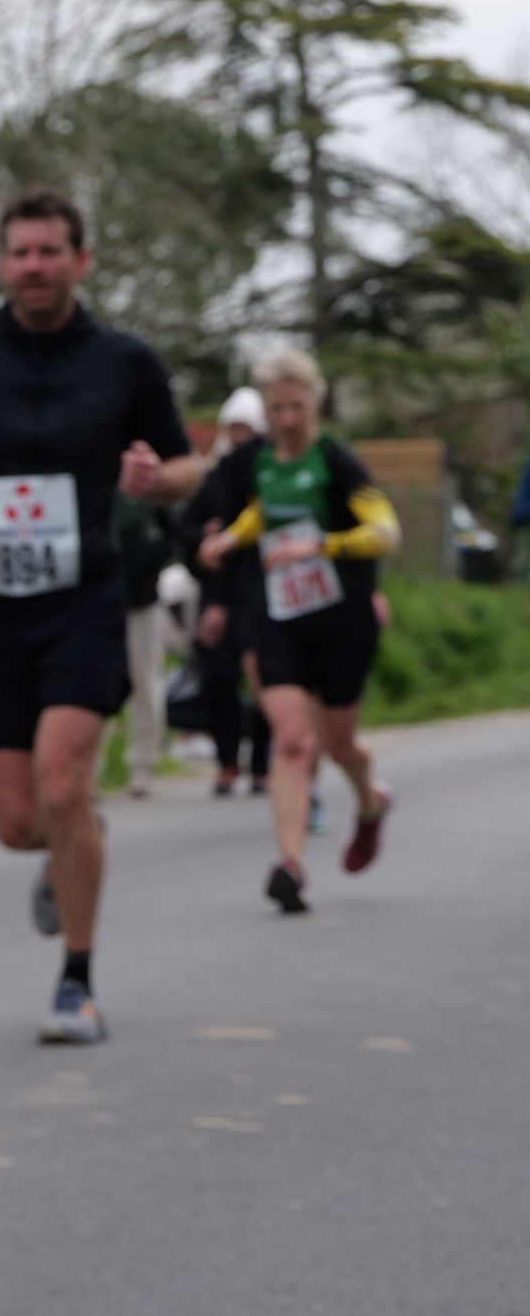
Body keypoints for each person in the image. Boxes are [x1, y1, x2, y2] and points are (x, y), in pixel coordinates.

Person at [0, 193, 204, 1045]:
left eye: (49, 251)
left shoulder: (125, 361)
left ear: (81, 259)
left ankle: (77, 982)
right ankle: (78, 838)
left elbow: (187, 466)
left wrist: (155, 478)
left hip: (85, 602)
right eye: (20, 253)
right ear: (2, 264)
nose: (34, 267)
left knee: (63, 781)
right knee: (17, 822)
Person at [197, 349, 399, 913]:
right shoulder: (260, 461)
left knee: (339, 745)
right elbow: (265, 510)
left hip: (342, 620)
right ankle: (290, 863)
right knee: (291, 740)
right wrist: (230, 539)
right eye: (277, 409)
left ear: (316, 403)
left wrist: (322, 546)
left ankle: (370, 802)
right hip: (281, 617)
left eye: (297, 407)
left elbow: (386, 532)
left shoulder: (338, 462)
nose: (287, 420)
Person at [181, 388, 272, 798]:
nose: (238, 438)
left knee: (265, 681)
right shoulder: (216, 477)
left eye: (245, 429)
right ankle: (227, 761)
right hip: (219, 595)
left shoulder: (270, 475)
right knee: (219, 678)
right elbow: (188, 530)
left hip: (260, 596)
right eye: (233, 429)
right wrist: (203, 539)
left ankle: (263, 765)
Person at [115, 497, 172, 794]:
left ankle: (143, 765)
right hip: (99, 603)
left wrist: (148, 564)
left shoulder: (148, 497)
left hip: (141, 602)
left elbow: (171, 534)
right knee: (90, 686)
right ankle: (85, 771)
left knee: (145, 683)